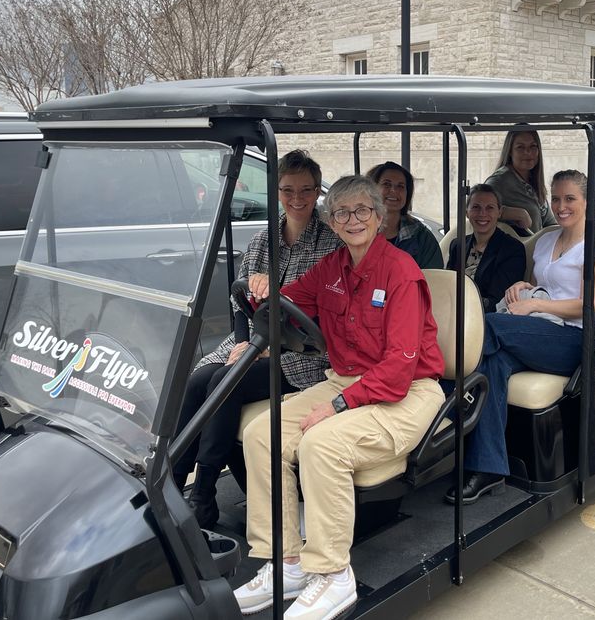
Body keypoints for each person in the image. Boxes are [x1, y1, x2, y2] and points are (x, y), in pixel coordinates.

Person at [234, 175, 445, 620]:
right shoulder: (331, 270)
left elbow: (399, 367)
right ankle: (286, 560)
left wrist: (336, 407)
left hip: (406, 392)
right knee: (260, 433)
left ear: (378, 215)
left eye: (363, 211)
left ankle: (333, 574)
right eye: (343, 212)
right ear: (331, 221)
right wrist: (260, 291)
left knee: (322, 443)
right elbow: (287, 301)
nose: (353, 220)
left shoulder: (401, 271)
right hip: (346, 381)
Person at [174, 150, 340, 529]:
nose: (297, 199)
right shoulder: (264, 240)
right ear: (276, 191)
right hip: (254, 339)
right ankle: (172, 476)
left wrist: (264, 344)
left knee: (223, 383)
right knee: (198, 379)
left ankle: (204, 492)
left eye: (306, 190)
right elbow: (239, 300)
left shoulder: (330, 244)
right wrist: (242, 341)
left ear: (318, 192)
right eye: (287, 190)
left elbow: (325, 311)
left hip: (304, 353)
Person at [446, 170, 595, 504]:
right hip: (541, 329)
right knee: (493, 365)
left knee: (489, 325)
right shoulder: (548, 240)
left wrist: (537, 303)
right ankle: (490, 468)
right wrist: (524, 288)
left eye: (570, 199)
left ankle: (442, 403)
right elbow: (542, 285)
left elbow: (587, 304)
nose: (561, 206)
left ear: (587, 201)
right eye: (555, 198)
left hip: (574, 339)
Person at [446, 183, 526, 312]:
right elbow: (448, 285)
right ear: (467, 212)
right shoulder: (457, 245)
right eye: (476, 207)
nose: (482, 214)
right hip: (452, 311)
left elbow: (499, 300)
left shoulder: (512, 249)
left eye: (490, 208)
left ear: (499, 212)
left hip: (488, 317)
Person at [367, 161, 443, 269]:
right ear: (371, 189)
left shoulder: (421, 237)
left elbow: (434, 278)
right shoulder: (357, 229)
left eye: (401, 186)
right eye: (386, 184)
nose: (393, 190)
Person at [486, 130, 558, 234]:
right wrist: (514, 213)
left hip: (538, 248)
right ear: (510, 151)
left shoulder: (533, 181)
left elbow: (550, 224)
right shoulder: (499, 181)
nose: (528, 152)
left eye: (533, 146)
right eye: (520, 147)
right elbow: (473, 207)